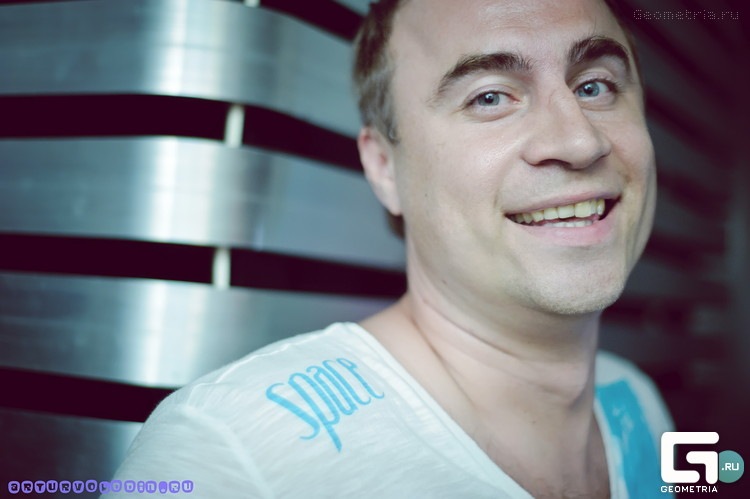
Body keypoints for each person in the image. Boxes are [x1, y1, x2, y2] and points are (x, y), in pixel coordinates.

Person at [109, 0, 672, 497]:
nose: (578, 140)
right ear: (383, 168)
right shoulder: (235, 453)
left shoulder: (637, 406)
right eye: (490, 97)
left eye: (594, 86)